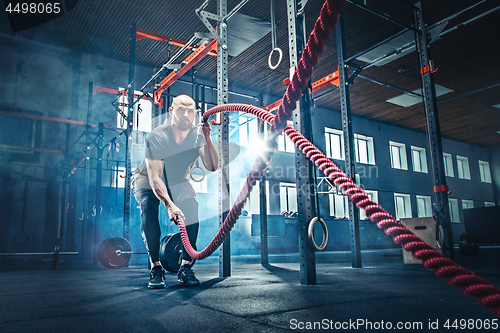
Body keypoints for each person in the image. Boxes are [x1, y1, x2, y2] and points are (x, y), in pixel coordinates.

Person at [132, 95, 218, 289]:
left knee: (191, 205)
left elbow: (212, 165)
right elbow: (155, 178)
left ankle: (185, 267)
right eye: (180, 110)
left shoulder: (197, 136)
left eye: (190, 111)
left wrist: (207, 138)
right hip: (148, 178)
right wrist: (170, 205)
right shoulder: (158, 135)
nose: (185, 115)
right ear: (171, 112)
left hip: (178, 179)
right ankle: (156, 268)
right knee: (149, 205)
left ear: (195, 114)